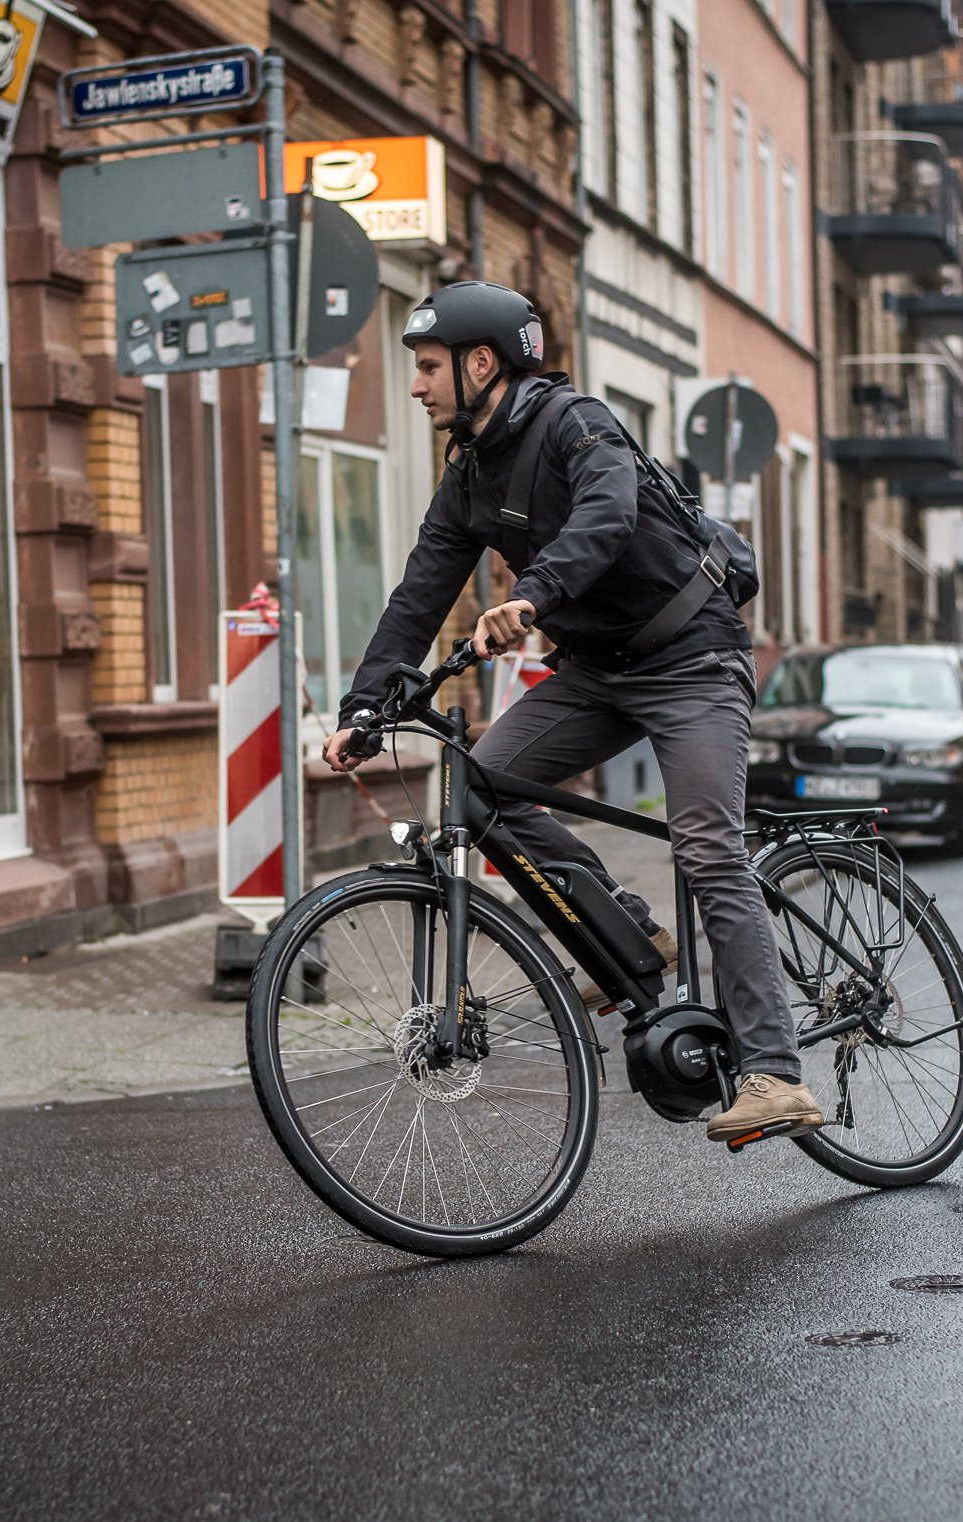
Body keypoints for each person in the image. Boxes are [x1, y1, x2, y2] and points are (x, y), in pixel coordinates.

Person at [322, 281, 822, 1144]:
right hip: (599, 670)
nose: (416, 386)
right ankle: (630, 931)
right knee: (481, 786)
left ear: (483, 364)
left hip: (693, 656)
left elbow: (607, 514)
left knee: (707, 845)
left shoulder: (576, 423)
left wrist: (534, 596)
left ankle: (775, 1071)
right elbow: (419, 592)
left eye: (428, 367)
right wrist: (363, 705)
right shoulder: (469, 474)